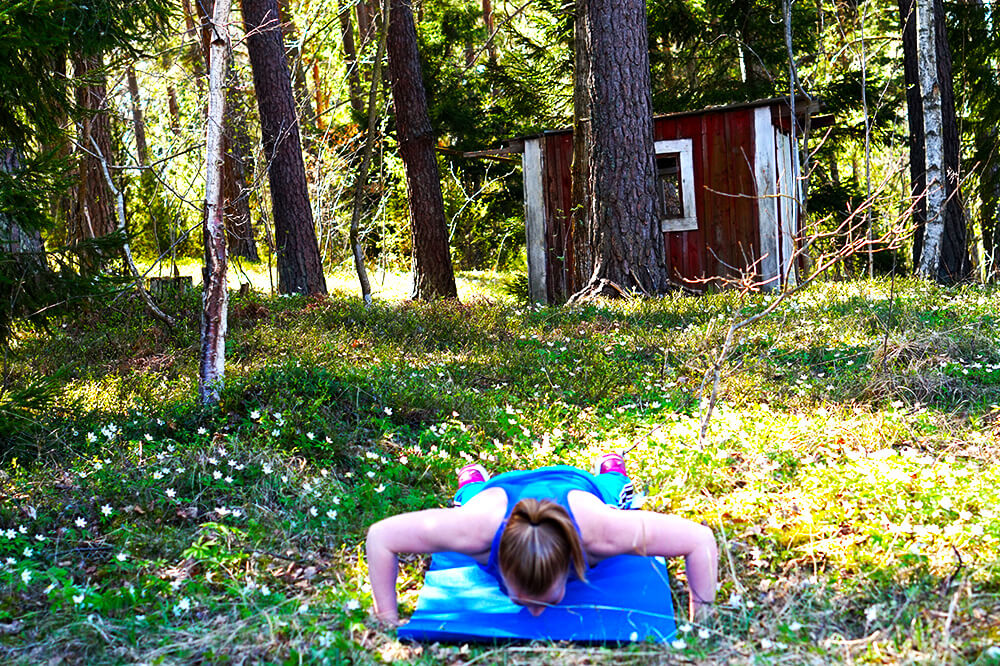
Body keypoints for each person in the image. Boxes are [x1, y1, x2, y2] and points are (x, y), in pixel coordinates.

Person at [366, 453, 718, 625]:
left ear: (570, 560)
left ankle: (611, 469)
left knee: (614, 495)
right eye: (519, 596)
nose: (535, 613)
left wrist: (702, 622)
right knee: (469, 502)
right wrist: (386, 617)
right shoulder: (473, 532)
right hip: (496, 496)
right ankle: (472, 482)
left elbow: (699, 540)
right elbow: (381, 537)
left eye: (547, 599)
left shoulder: (603, 533)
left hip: (576, 488)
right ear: (500, 563)